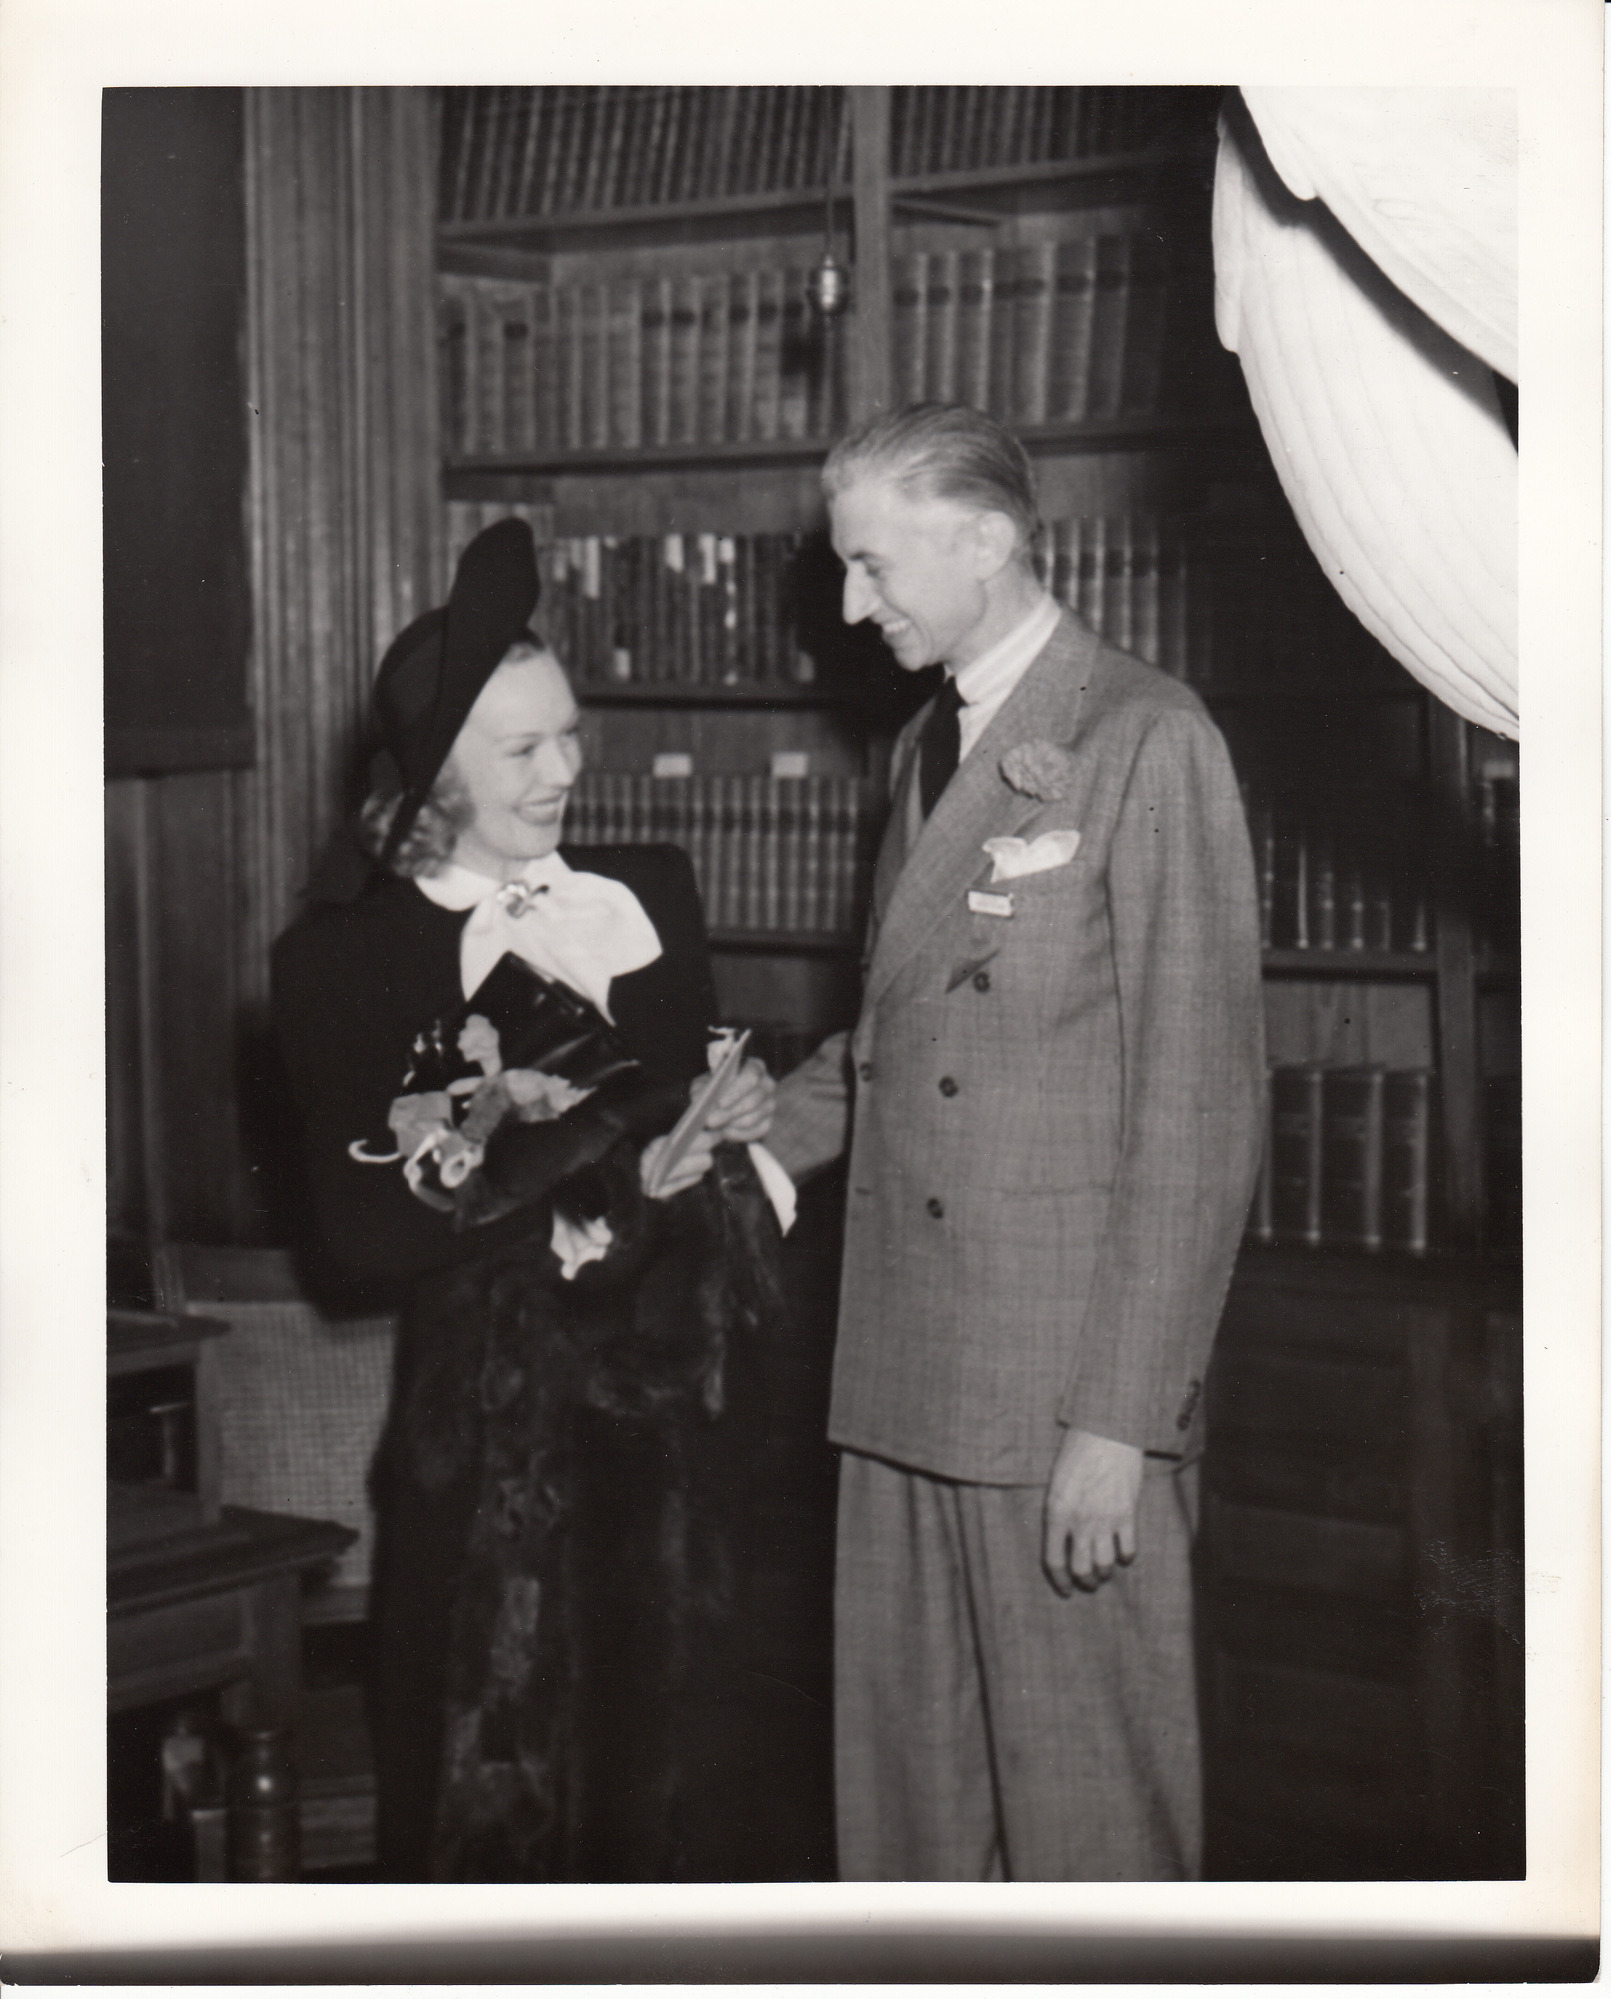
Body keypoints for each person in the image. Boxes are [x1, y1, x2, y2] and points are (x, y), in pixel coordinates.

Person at [766, 404, 1266, 1882]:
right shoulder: (930, 745)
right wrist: (743, 1151)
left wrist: (1120, 1426)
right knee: (908, 1839)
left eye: (873, 567)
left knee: (1090, 1832)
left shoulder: (1144, 738)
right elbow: (900, 1045)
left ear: (986, 544)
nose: (852, 607)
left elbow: (1200, 1116)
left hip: (1056, 1405)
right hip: (899, 1379)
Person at [272, 519, 779, 1882]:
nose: (565, 770)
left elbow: (683, 1143)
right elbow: (365, 1231)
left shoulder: (646, 896)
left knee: (688, 1814)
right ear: (437, 775)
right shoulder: (349, 958)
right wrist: (579, 1122)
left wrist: (709, 1157)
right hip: (489, 1439)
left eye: (569, 734)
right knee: (489, 1819)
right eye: (521, 750)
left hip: (677, 1423)